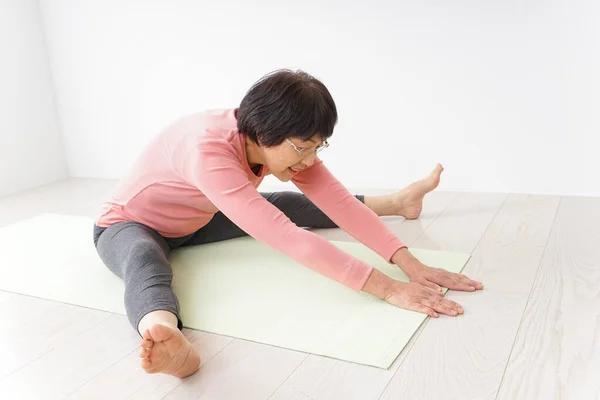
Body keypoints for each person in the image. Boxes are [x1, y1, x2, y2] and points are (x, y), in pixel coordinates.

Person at [92, 69, 483, 379]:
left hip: (201, 219)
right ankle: (168, 336)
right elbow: (286, 238)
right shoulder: (208, 150)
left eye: (318, 147)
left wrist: (409, 263)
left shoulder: (275, 140)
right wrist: (388, 288)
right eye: (303, 148)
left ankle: (397, 201)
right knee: (144, 258)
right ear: (264, 133)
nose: (310, 160)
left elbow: (338, 203)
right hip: (130, 225)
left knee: (287, 203)